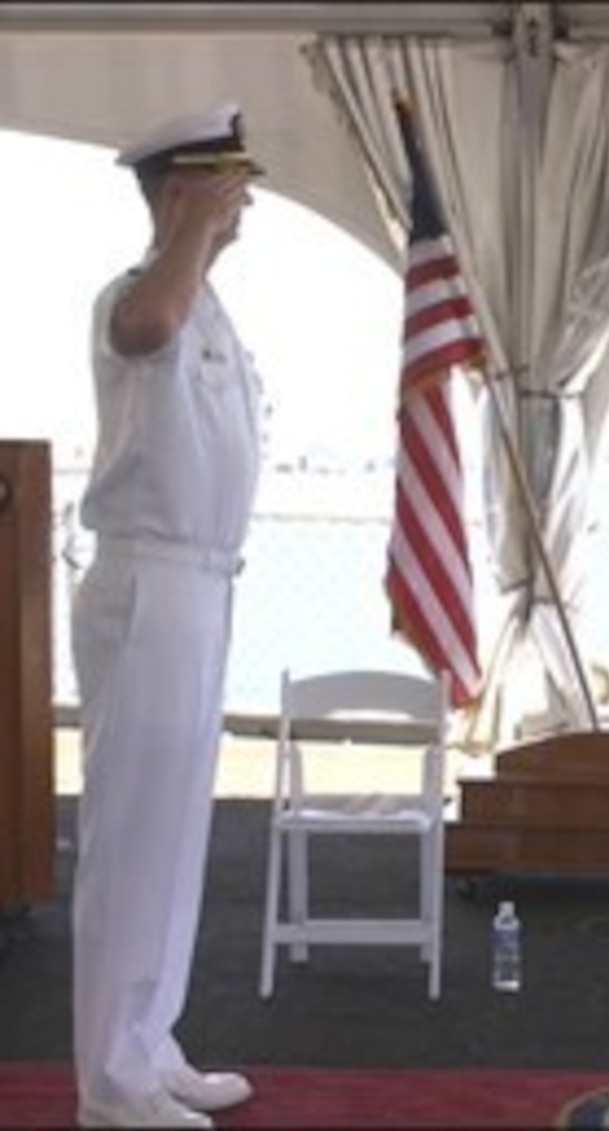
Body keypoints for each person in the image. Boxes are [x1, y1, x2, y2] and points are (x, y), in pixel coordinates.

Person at [70, 102, 265, 1128]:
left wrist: (199, 229)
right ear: (182, 189)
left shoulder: (207, 305)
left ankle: (149, 1045)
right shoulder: (141, 295)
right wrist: (187, 222)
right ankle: (110, 1083)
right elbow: (146, 325)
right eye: (227, 186)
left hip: (202, 584)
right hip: (148, 584)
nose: (244, 205)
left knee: (175, 832)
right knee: (132, 834)